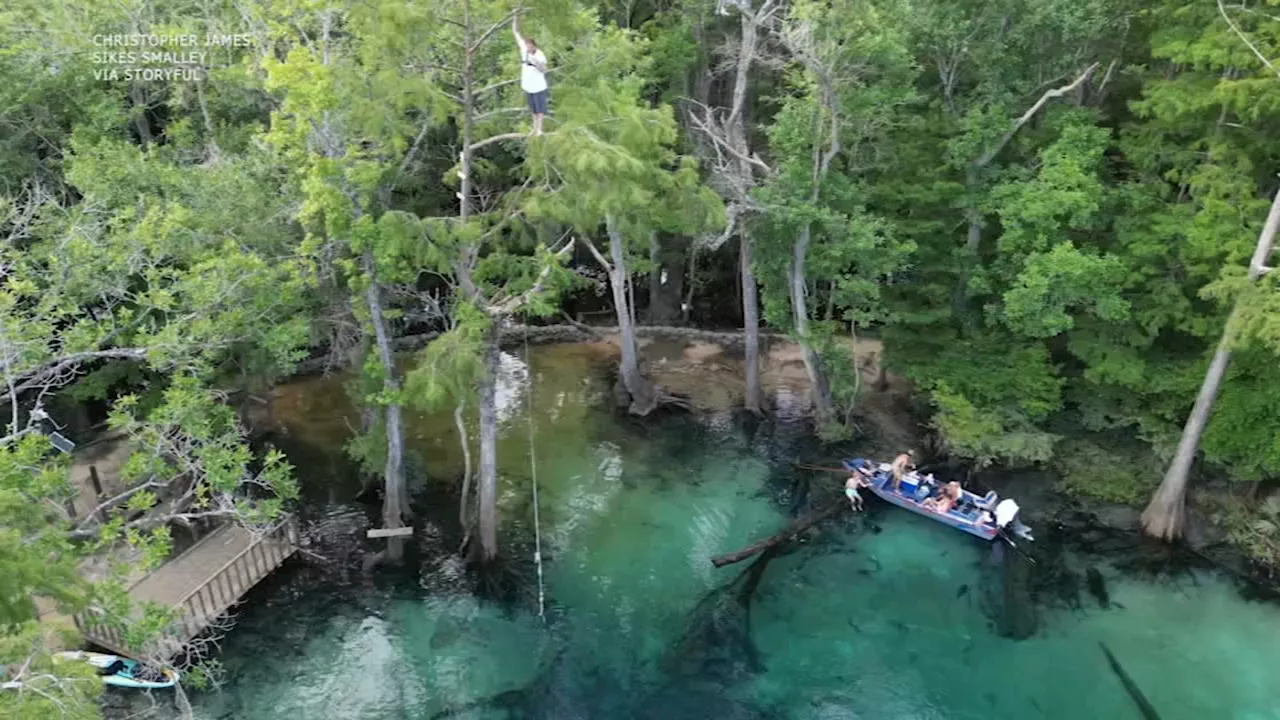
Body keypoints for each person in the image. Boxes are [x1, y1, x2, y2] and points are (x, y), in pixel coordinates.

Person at [512, 17, 549, 136]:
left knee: (540, 110)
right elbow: (516, 34)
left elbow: (544, 69)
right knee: (533, 110)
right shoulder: (524, 51)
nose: (528, 48)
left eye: (530, 46)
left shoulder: (539, 54)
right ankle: (534, 128)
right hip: (528, 86)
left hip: (538, 86)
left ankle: (540, 129)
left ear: (534, 46)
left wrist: (535, 61)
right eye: (527, 46)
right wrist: (515, 17)